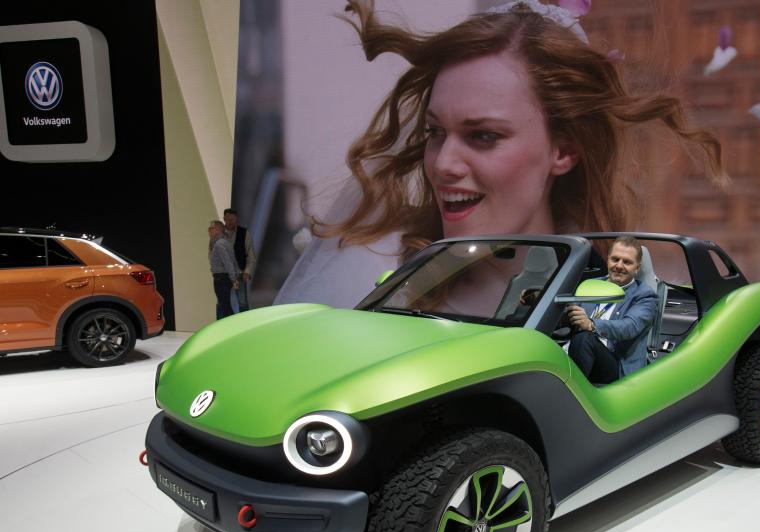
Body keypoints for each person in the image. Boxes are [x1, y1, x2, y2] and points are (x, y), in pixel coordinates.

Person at [274, 0, 725, 307]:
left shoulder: (616, 300)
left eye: (483, 136)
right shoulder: (374, 288)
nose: (442, 164)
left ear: (564, 151)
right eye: (435, 131)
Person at [566, 236, 658, 383]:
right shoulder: (591, 285)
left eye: (627, 262)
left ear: (637, 268)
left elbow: (629, 327)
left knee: (584, 339)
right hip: (578, 352)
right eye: (615, 259)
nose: (619, 266)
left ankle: (571, 389)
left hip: (616, 364)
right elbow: (570, 310)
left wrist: (591, 324)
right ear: (607, 260)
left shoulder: (645, 295)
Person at [223, 208, 256, 312]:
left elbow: (251, 255)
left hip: (239, 274)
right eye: (228, 219)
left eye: (232, 219)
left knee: (242, 302)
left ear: (236, 219)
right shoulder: (219, 233)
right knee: (222, 302)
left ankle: (245, 321)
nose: (230, 222)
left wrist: (247, 271)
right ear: (224, 219)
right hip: (223, 274)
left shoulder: (244, 233)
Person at [208, 220, 240, 320]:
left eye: (211, 228)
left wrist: (233, 278)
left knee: (225, 307)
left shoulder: (219, 245)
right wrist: (234, 278)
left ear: (217, 230)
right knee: (226, 306)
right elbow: (233, 261)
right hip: (225, 278)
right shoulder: (226, 243)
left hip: (221, 278)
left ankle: (233, 327)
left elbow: (228, 262)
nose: (209, 231)